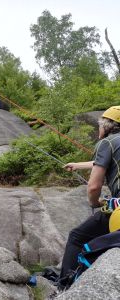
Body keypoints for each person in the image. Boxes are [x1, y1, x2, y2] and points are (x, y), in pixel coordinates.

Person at [58, 106, 120, 288]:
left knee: (77, 237)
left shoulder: (106, 143)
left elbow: (93, 187)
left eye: (100, 125)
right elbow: (102, 161)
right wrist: (78, 165)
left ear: (107, 126)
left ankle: (64, 287)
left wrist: (95, 202)